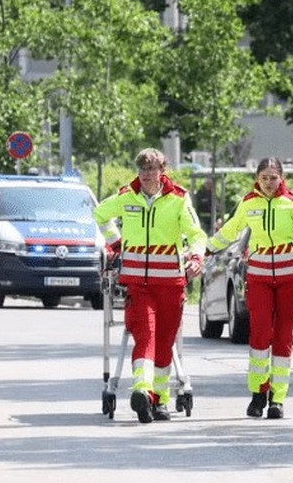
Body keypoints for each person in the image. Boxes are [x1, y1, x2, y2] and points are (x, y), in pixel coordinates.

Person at [93, 148, 207, 423]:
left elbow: (196, 234)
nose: (146, 174)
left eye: (151, 169)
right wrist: (116, 243)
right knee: (146, 335)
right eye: (142, 169)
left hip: (170, 283)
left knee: (165, 342)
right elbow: (99, 214)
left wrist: (196, 257)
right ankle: (142, 392)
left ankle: (160, 400)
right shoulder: (126, 196)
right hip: (139, 284)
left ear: (162, 171)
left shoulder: (178, 199)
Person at [209, 157, 293, 419]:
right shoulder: (249, 202)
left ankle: (278, 399)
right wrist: (207, 248)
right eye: (265, 178)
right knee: (260, 336)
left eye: (274, 178)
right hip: (259, 278)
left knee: (283, 337)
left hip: (290, 279)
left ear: (282, 178)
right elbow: (231, 230)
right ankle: (257, 394)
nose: (269, 183)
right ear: (257, 178)